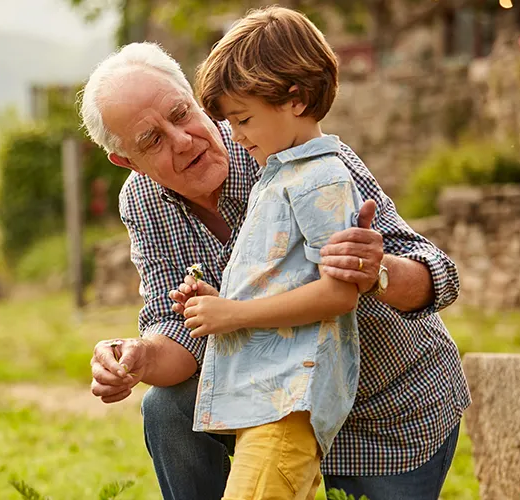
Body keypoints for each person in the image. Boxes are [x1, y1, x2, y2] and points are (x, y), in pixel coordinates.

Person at [80, 40, 469, 500]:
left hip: (383, 409)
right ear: (128, 161)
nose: (182, 140)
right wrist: (139, 357)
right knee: (166, 407)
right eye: (152, 140)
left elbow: (439, 276)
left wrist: (375, 269)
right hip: (271, 408)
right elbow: (181, 332)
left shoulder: (290, 145)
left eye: (182, 114)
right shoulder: (142, 201)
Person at [173, 7, 367, 499]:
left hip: (288, 402)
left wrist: (234, 314)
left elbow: (339, 294)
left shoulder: (322, 176)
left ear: (295, 100)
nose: (235, 135)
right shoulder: (281, 173)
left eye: (242, 118)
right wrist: (215, 301)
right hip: (265, 400)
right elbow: (285, 277)